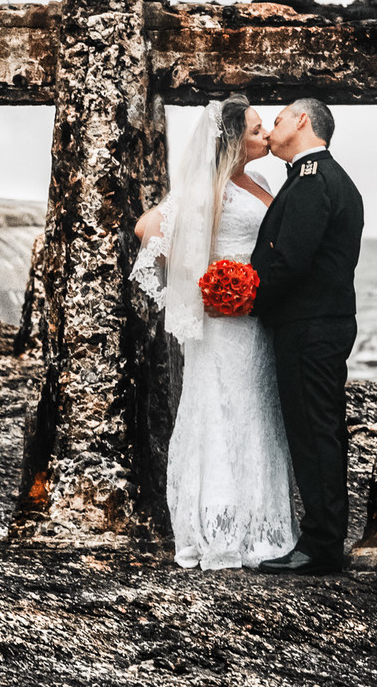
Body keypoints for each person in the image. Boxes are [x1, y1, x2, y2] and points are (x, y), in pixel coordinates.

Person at [130, 95, 298, 570]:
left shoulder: (261, 179)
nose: (265, 135)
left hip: (258, 322)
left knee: (258, 412)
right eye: (255, 130)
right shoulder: (209, 187)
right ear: (231, 142)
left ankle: (261, 527)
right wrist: (209, 277)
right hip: (225, 324)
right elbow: (148, 228)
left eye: (264, 127)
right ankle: (222, 531)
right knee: (222, 412)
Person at [251, 98, 364, 575]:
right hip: (321, 323)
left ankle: (321, 545)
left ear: (302, 121)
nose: (271, 128)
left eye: (277, 120)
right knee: (320, 428)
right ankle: (323, 537)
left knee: (313, 431)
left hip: (309, 326)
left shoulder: (313, 181)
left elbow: (290, 262)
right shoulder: (316, 178)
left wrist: (248, 301)